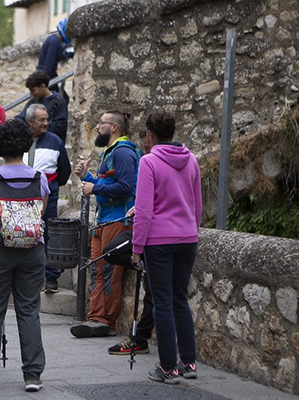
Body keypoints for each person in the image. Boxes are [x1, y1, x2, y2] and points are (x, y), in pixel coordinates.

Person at [0, 119, 49, 393]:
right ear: (25, 145)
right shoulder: (39, 177)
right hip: (33, 250)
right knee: (29, 311)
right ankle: (32, 376)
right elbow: (40, 214)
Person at [131, 109, 201, 384]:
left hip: (159, 240)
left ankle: (168, 366)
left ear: (150, 134)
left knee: (162, 302)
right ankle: (189, 362)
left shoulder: (149, 162)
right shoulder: (191, 159)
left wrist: (137, 247)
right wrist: (192, 231)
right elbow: (197, 203)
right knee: (180, 299)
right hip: (187, 237)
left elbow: (144, 210)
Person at [70, 110, 140, 338]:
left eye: (102, 123)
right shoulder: (111, 152)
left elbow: (125, 187)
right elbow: (106, 185)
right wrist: (87, 177)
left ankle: (105, 320)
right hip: (104, 220)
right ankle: (96, 316)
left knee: (109, 272)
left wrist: (95, 187)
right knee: (98, 269)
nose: (98, 126)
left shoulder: (123, 152)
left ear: (114, 127)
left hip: (118, 221)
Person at [108, 129, 156, 355]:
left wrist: (137, 252)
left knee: (155, 296)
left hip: (157, 236)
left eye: (147, 146)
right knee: (111, 250)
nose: (145, 151)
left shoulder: (152, 163)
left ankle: (140, 339)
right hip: (148, 231)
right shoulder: (149, 161)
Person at [22, 104, 70, 293]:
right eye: (41, 119)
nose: (46, 123)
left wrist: (52, 187)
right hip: (22, 198)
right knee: (22, 234)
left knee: (48, 234)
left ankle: (51, 277)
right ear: (29, 121)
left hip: (47, 198)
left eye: (47, 119)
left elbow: (64, 171)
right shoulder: (21, 140)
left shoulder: (55, 141)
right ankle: (25, 275)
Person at [15, 71, 68, 143]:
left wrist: (37, 129)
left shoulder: (58, 102)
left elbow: (59, 126)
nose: (31, 94)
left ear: (42, 86)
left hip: (52, 144)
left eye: (33, 90)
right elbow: (20, 119)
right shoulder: (32, 102)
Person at [37, 18, 73, 103]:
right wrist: (46, 82)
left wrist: (68, 54)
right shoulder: (54, 42)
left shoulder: (54, 39)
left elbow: (58, 56)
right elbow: (49, 64)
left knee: (62, 99)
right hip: (46, 76)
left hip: (46, 75)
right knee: (62, 100)